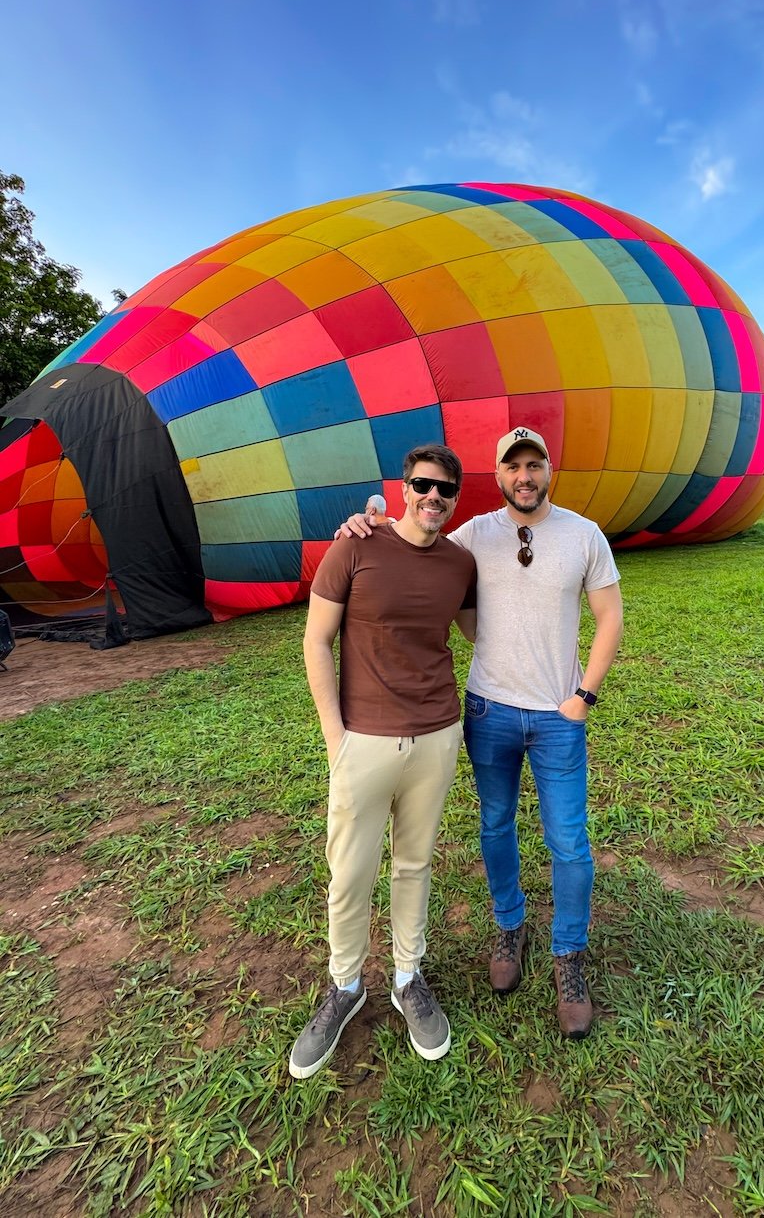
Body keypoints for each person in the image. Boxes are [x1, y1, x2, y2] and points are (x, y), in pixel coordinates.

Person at [339, 427, 623, 1039]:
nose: (524, 474)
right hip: (489, 711)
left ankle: (568, 956)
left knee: (569, 842)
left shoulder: (583, 535)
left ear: (549, 470)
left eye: (534, 463)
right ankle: (509, 925)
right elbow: (414, 536)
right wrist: (365, 521)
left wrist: (583, 696)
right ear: (496, 476)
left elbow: (610, 617)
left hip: (558, 717)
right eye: (512, 465)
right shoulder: (472, 537)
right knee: (495, 825)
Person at [288, 444, 477, 1079]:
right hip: (363, 740)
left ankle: (406, 976)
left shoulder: (461, 563)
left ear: (455, 498)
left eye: (445, 490)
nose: (434, 497)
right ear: (403, 488)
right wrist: (334, 736)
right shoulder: (355, 548)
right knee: (349, 871)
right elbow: (316, 640)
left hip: (437, 735)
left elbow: (481, 630)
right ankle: (345, 986)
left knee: (414, 863)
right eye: (423, 484)